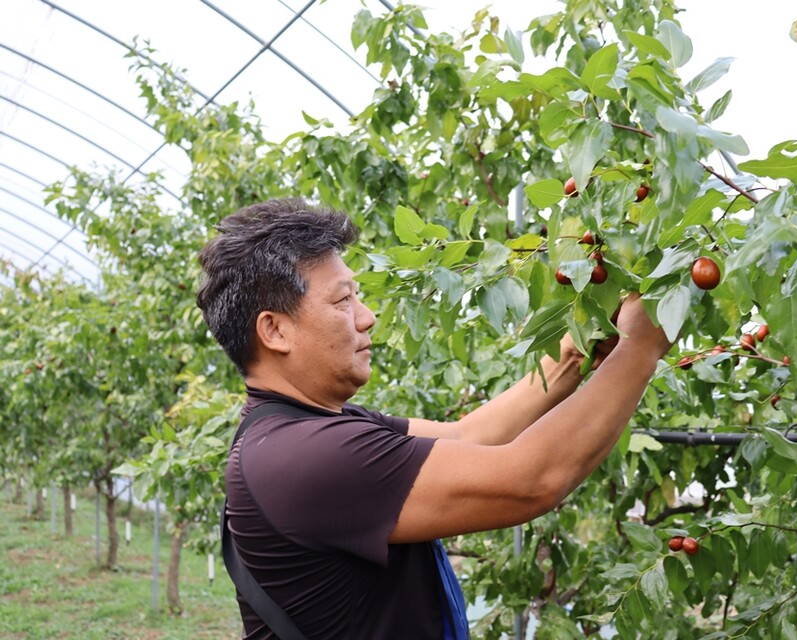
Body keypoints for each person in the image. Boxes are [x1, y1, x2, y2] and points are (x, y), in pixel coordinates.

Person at [196, 197, 673, 639]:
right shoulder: (307, 457)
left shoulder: (302, 431)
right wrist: (640, 346)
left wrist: (570, 356)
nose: (367, 317)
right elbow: (533, 479)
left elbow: (471, 435)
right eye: (343, 301)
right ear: (275, 330)